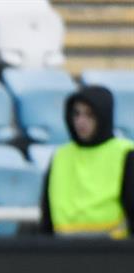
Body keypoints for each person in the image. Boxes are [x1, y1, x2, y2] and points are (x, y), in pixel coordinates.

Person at [40, 85, 134, 238]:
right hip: (63, 248)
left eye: (90, 115)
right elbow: (47, 214)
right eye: (76, 114)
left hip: (111, 248)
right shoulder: (60, 156)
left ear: (103, 116)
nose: (81, 121)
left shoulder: (125, 153)